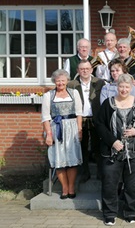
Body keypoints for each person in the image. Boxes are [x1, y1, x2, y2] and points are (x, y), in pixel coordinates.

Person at [96, 74, 135, 226]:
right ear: (116, 87)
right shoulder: (108, 103)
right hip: (112, 150)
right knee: (109, 183)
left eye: (127, 87)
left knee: (132, 184)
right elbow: (99, 125)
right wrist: (113, 141)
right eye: (121, 86)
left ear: (132, 87)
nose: (124, 89)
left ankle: (130, 212)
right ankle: (109, 213)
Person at [41, 69, 83, 199]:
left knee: (72, 159)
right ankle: (64, 188)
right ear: (54, 81)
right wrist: (48, 134)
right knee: (59, 160)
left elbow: (79, 113)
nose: (60, 83)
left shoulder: (74, 92)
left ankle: (71, 187)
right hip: (56, 129)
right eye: (58, 80)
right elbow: (45, 117)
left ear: (67, 81)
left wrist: (79, 130)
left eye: (63, 80)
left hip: (72, 129)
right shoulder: (48, 95)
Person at [67, 60, 105, 182]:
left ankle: (100, 172)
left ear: (91, 70)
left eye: (87, 68)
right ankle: (85, 173)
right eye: (82, 69)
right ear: (78, 70)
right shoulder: (71, 84)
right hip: (79, 119)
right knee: (82, 146)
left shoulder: (99, 83)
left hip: (95, 118)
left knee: (97, 146)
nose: (84, 71)